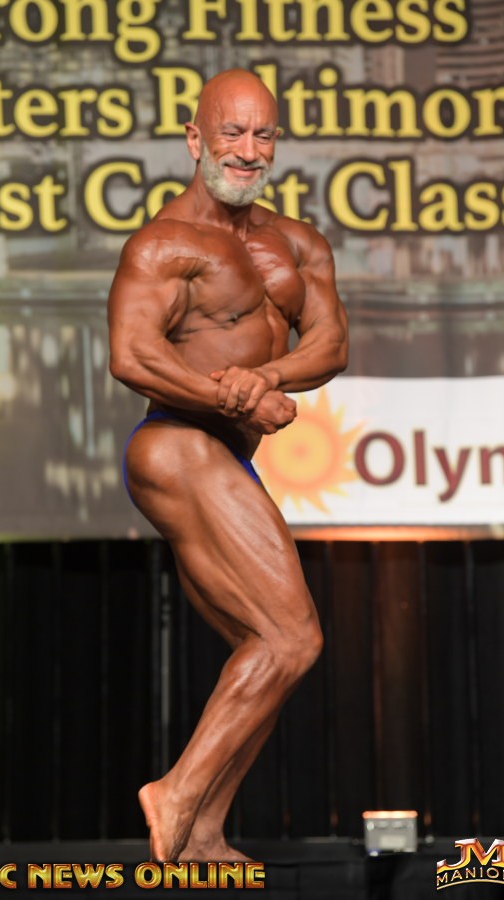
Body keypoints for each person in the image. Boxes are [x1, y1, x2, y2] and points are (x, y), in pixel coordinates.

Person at [107, 68, 348, 862]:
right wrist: (235, 397)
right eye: (231, 133)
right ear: (195, 139)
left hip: (227, 459)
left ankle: (203, 831)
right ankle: (175, 793)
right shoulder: (164, 244)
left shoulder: (297, 243)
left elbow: (330, 344)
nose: (248, 150)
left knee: (269, 650)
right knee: (294, 638)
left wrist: (266, 378)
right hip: (176, 444)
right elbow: (132, 355)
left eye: (262, 134)